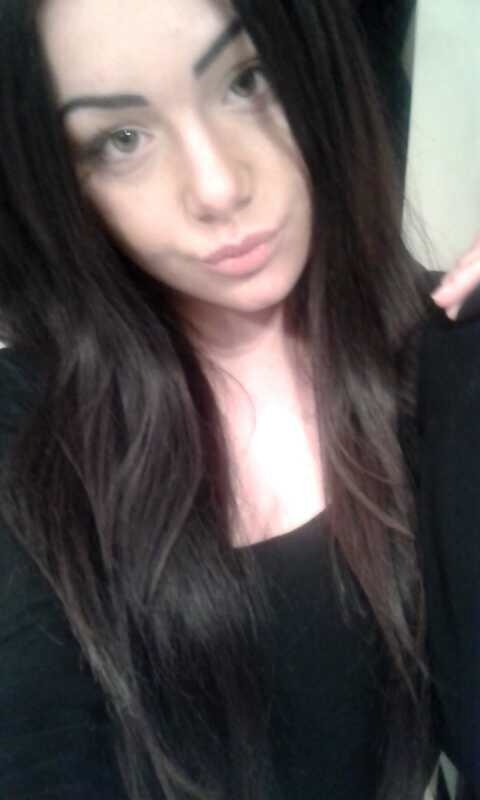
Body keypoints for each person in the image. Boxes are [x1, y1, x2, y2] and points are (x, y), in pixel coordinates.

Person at [0, 1, 478, 799]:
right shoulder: (27, 440)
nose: (217, 187)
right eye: (122, 139)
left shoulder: (446, 357)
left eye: (248, 81)